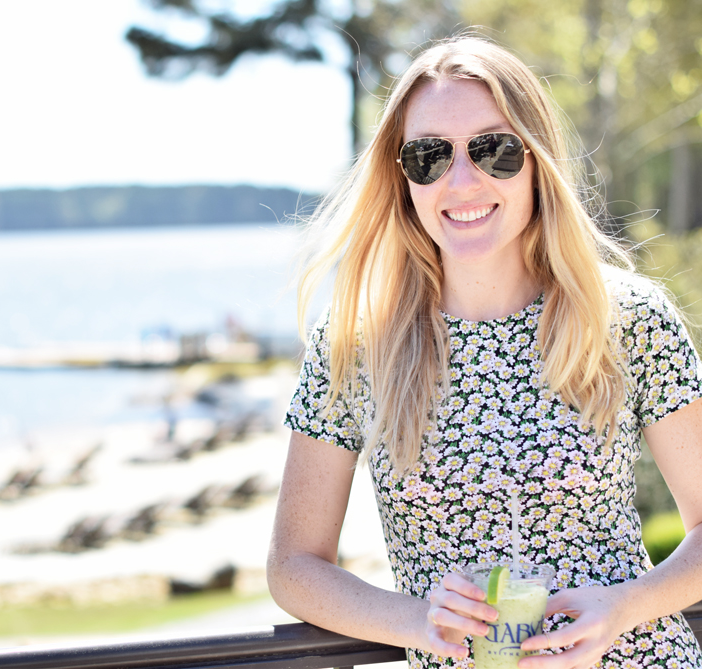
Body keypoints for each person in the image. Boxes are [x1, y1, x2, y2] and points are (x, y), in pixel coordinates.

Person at [267, 35, 702, 669]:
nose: (462, 181)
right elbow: (293, 565)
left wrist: (624, 608)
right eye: (428, 156)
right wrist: (418, 620)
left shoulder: (627, 319)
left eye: (494, 150)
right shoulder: (356, 343)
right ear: (403, 175)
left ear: (537, 161)